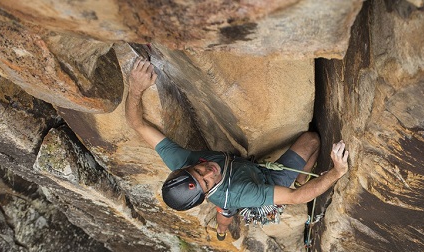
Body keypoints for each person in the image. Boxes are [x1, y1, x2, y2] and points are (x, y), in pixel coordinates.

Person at [125, 58, 349, 240]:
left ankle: (222, 232)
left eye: (198, 170)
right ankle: (297, 180)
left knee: (225, 212)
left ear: (184, 168)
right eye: (206, 182)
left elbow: (138, 125)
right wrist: (336, 171)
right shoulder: (240, 192)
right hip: (265, 181)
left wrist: (136, 89)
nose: (209, 171)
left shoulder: (181, 161)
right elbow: (296, 198)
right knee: (312, 141)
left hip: (242, 176)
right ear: (205, 194)